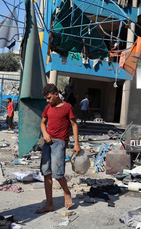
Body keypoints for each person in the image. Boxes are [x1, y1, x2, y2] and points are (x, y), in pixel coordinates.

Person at [36, 83, 81, 214]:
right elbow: (43, 123)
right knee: (46, 172)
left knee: (57, 173)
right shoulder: (47, 108)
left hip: (60, 143)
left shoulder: (67, 107)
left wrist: (76, 143)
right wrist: (45, 134)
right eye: (46, 98)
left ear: (56, 94)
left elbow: (74, 125)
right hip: (47, 142)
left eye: (49, 97)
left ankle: (66, 193)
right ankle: (49, 204)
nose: (47, 100)